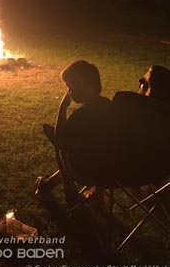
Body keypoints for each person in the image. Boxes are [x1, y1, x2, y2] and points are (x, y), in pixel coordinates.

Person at [35, 60, 113, 202]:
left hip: (88, 169)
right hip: (111, 167)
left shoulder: (82, 115)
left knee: (61, 149)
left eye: (72, 86)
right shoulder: (107, 104)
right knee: (85, 147)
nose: (69, 92)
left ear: (87, 85)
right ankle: (48, 183)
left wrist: (63, 107)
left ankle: (70, 192)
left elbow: (60, 140)